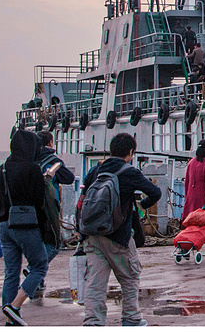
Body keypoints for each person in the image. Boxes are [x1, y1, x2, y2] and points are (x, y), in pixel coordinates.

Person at [82, 133, 162, 327]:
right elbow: (155, 192)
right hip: (118, 235)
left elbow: (84, 197)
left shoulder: (95, 171)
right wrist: (142, 204)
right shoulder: (129, 172)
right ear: (131, 152)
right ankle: (131, 318)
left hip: (92, 235)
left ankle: (93, 322)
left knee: (95, 282)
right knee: (130, 277)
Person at [0, 130, 49, 326]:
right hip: (25, 224)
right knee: (39, 265)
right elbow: (39, 202)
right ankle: (15, 307)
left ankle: (11, 318)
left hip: (4, 225)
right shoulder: (32, 168)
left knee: (11, 273)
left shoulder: (2, 169)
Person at [26, 131, 74, 290]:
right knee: (54, 244)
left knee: (37, 243)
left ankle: (37, 281)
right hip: (48, 208)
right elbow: (69, 178)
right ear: (51, 143)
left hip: (30, 207)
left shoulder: (29, 159)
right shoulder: (53, 161)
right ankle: (35, 270)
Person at [182, 140, 205, 260]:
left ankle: (186, 248)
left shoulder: (191, 162)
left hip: (191, 198)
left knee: (191, 225)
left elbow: (187, 182)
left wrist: (187, 197)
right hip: (204, 198)